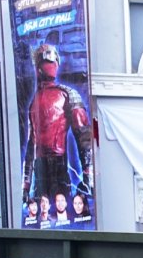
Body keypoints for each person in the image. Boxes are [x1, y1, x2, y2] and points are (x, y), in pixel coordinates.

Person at [21, 42, 93, 202]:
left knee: (62, 216)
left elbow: (84, 138)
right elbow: (31, 145)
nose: (49, 65)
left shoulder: (68, 94)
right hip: (41, 171)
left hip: (59, 166)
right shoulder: (36, 101)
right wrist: (25, 185)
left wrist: (88, 175)